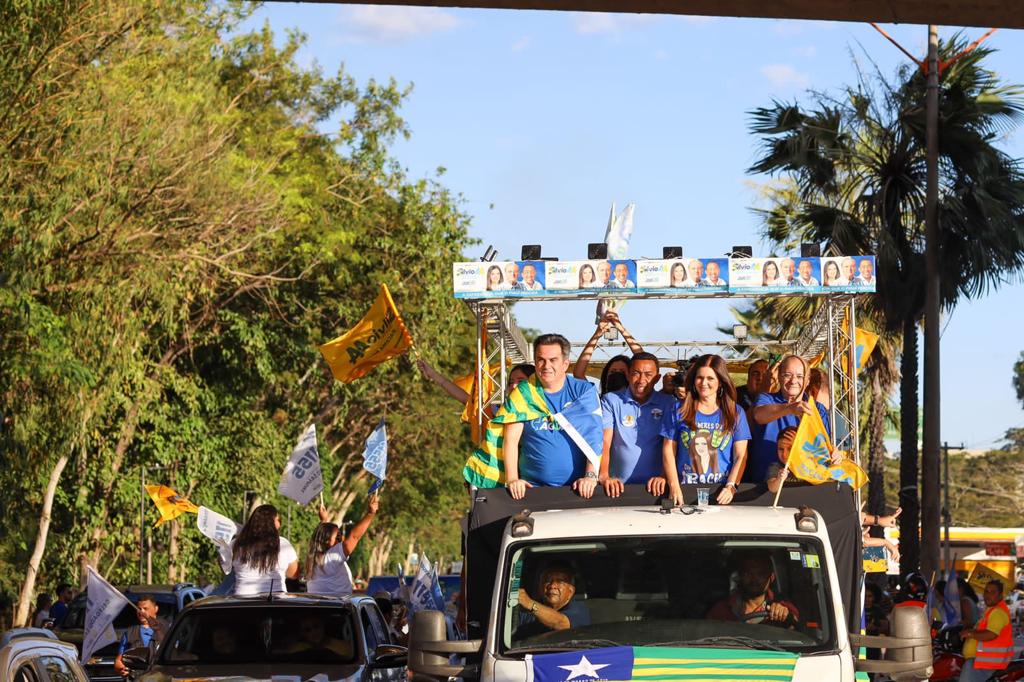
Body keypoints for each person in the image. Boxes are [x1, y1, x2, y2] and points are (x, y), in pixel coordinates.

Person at [504, 334, 601, 500]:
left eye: (553, 360)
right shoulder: (522, 393)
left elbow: (594, 436)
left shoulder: (583, 391)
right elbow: (510, 440)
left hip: (578, 489)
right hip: (532, 491)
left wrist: (590, 476)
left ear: (565, 364)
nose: (546, 366)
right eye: (541, 360)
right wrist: (512, 479)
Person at [654, 354, 750, 505]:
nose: (704, 383)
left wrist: (731, 486)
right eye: (699, 378)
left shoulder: (735, 412)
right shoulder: (678, 410)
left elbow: (741, 455)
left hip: (720, 492)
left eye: (710, 378)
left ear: (721, 381)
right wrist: (674, 485)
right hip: (684, 491)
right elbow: (668, 450)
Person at [583, 352, 675, 499]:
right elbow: (605, 441)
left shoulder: (668, 402)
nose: (641, 380)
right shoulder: (611, 400)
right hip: (618, 488)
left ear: (657, 378)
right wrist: (604, 475)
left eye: (648, 375)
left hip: (656, 488)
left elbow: (670, 444)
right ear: (628, 375)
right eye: (636, 374)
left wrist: (664, 476)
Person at [748, 355, 820, 483]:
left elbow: (823, 444)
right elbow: (758, 415)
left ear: (808, 381)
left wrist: (835, 453)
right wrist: (790, 408)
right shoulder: (766, 399)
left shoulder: (818, 409)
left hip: (803, 485)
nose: (793, 381)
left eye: (799, 376)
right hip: (762, 485)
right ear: (779, 377)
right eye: (787, 375)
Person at [306, 493, 380, 597]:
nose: (341, 541)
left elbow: (320, 535)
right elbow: (354, 536)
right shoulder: (332, 556)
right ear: (326, 541)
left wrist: (323, 521)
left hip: (317, 606)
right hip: (337, 608)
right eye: (338, 538)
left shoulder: (312, 557)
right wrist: (370, 513)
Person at [706, 550, 798, 626]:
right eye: (748, 573)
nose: (754, 579)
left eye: (760, 574)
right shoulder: (722, 609)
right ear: (740, 576)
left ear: (771, 578)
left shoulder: (783, 606)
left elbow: (799, 631)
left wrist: (785, 616)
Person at [232, 504, 299, 595]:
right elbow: (293, 574)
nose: (279, 524)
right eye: (278, 520)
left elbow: (225, 567)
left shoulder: (236, 544)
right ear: (272, 523)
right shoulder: (283, 544)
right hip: (276, 601)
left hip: (242, 602)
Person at [417, 359, 536, 408]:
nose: (514, 386)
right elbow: (466, 399)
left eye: (521, 381)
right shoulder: (500, 411)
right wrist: (434, 375)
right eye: (511, 382)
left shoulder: (548, 411)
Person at [514, 563, 590, 637]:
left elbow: (562, 623)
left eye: (560, 581)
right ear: (540, 587)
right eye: (547, 581)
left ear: (571, 591)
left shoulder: (579, 608)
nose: (552, 586)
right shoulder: (525, 611)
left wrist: (530, 605)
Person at [960, 580, 1014, 681]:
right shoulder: (990, 610)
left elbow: (991, 634)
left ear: (1000, 595)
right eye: (986, 591)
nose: (988, 595)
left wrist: (970, 633)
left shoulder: (997, 612)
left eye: (993, 592)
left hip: (987, 663)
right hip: (983, 661)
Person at [572, 311, 643, 388]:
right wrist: (597, 335)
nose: (617, 375)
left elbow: (644, 359)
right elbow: (578, 374)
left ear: (631, 375)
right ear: (605, 376)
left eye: (622, 372)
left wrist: (619, 326)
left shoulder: (640, 397)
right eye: (613, 371)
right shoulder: (596, 398)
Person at [113, 595, 169, 677]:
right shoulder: (129, 633)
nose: (141, 612)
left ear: (156, 609)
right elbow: (119, 660)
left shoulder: (167, 628)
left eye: (145, 609)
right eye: (139, 609)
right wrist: (121, 669)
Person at [287, 615, 353, 658]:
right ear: (302, 633)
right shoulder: (296, 649)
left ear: (323, 625)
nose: (313, 632)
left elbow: (349, 654)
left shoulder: (340, 645)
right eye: (307, 630)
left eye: (316, 626)